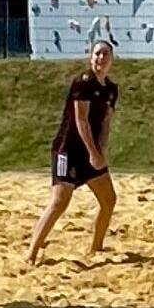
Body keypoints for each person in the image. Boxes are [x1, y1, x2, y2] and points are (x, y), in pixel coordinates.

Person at [26, 39, 121, 266]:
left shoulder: (111, 89)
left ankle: (96, 247)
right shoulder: (83, 82)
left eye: (105, 54)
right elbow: (81, 120)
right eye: (97, 53)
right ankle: (31, 252)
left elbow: (106, 122)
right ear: (90, 57)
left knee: (109, 200)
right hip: (68, 150)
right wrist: (92, 152)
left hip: (91, 151)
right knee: (59, 201)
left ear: (112, 59)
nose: (101, 58)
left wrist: (101, 150)